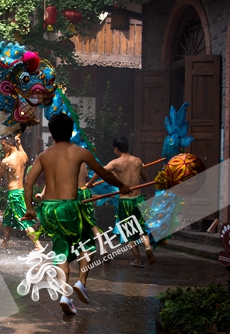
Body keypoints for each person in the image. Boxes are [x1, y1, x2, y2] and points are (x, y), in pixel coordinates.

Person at [23, 113, 130, 315]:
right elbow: (106, 174)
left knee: (61, 249)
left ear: (52, 133)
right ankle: (81, 283)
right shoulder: (80, 152)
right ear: (71, 131)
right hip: (69, 207)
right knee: (87, 245)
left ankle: (65, 294)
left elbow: (28, 182)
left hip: (48, 209)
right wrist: (121, 185)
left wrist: (30, 208)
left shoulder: (43, 155)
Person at [85, 136, 154, 268]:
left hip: (125, 201)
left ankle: (138, 260)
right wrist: (141, 168)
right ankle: (147, 247)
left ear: (116, 149)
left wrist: (90, 183)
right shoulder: (137, 161)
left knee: (129, 233)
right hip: (139, 199)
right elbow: (145, 178)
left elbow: (100, 172)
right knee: (142, 230)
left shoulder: (116, 163)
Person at [0, 134, 42, 251]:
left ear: (10, 144)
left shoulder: (6, 161)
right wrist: (20, 145)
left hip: (14, 194)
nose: (2, 148)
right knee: (8, 218)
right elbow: (25, 156)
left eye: (3, 145)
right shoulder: (23, 155)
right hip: (20, 191)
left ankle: (38, 246)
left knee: (24, 220)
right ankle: (4, 243)